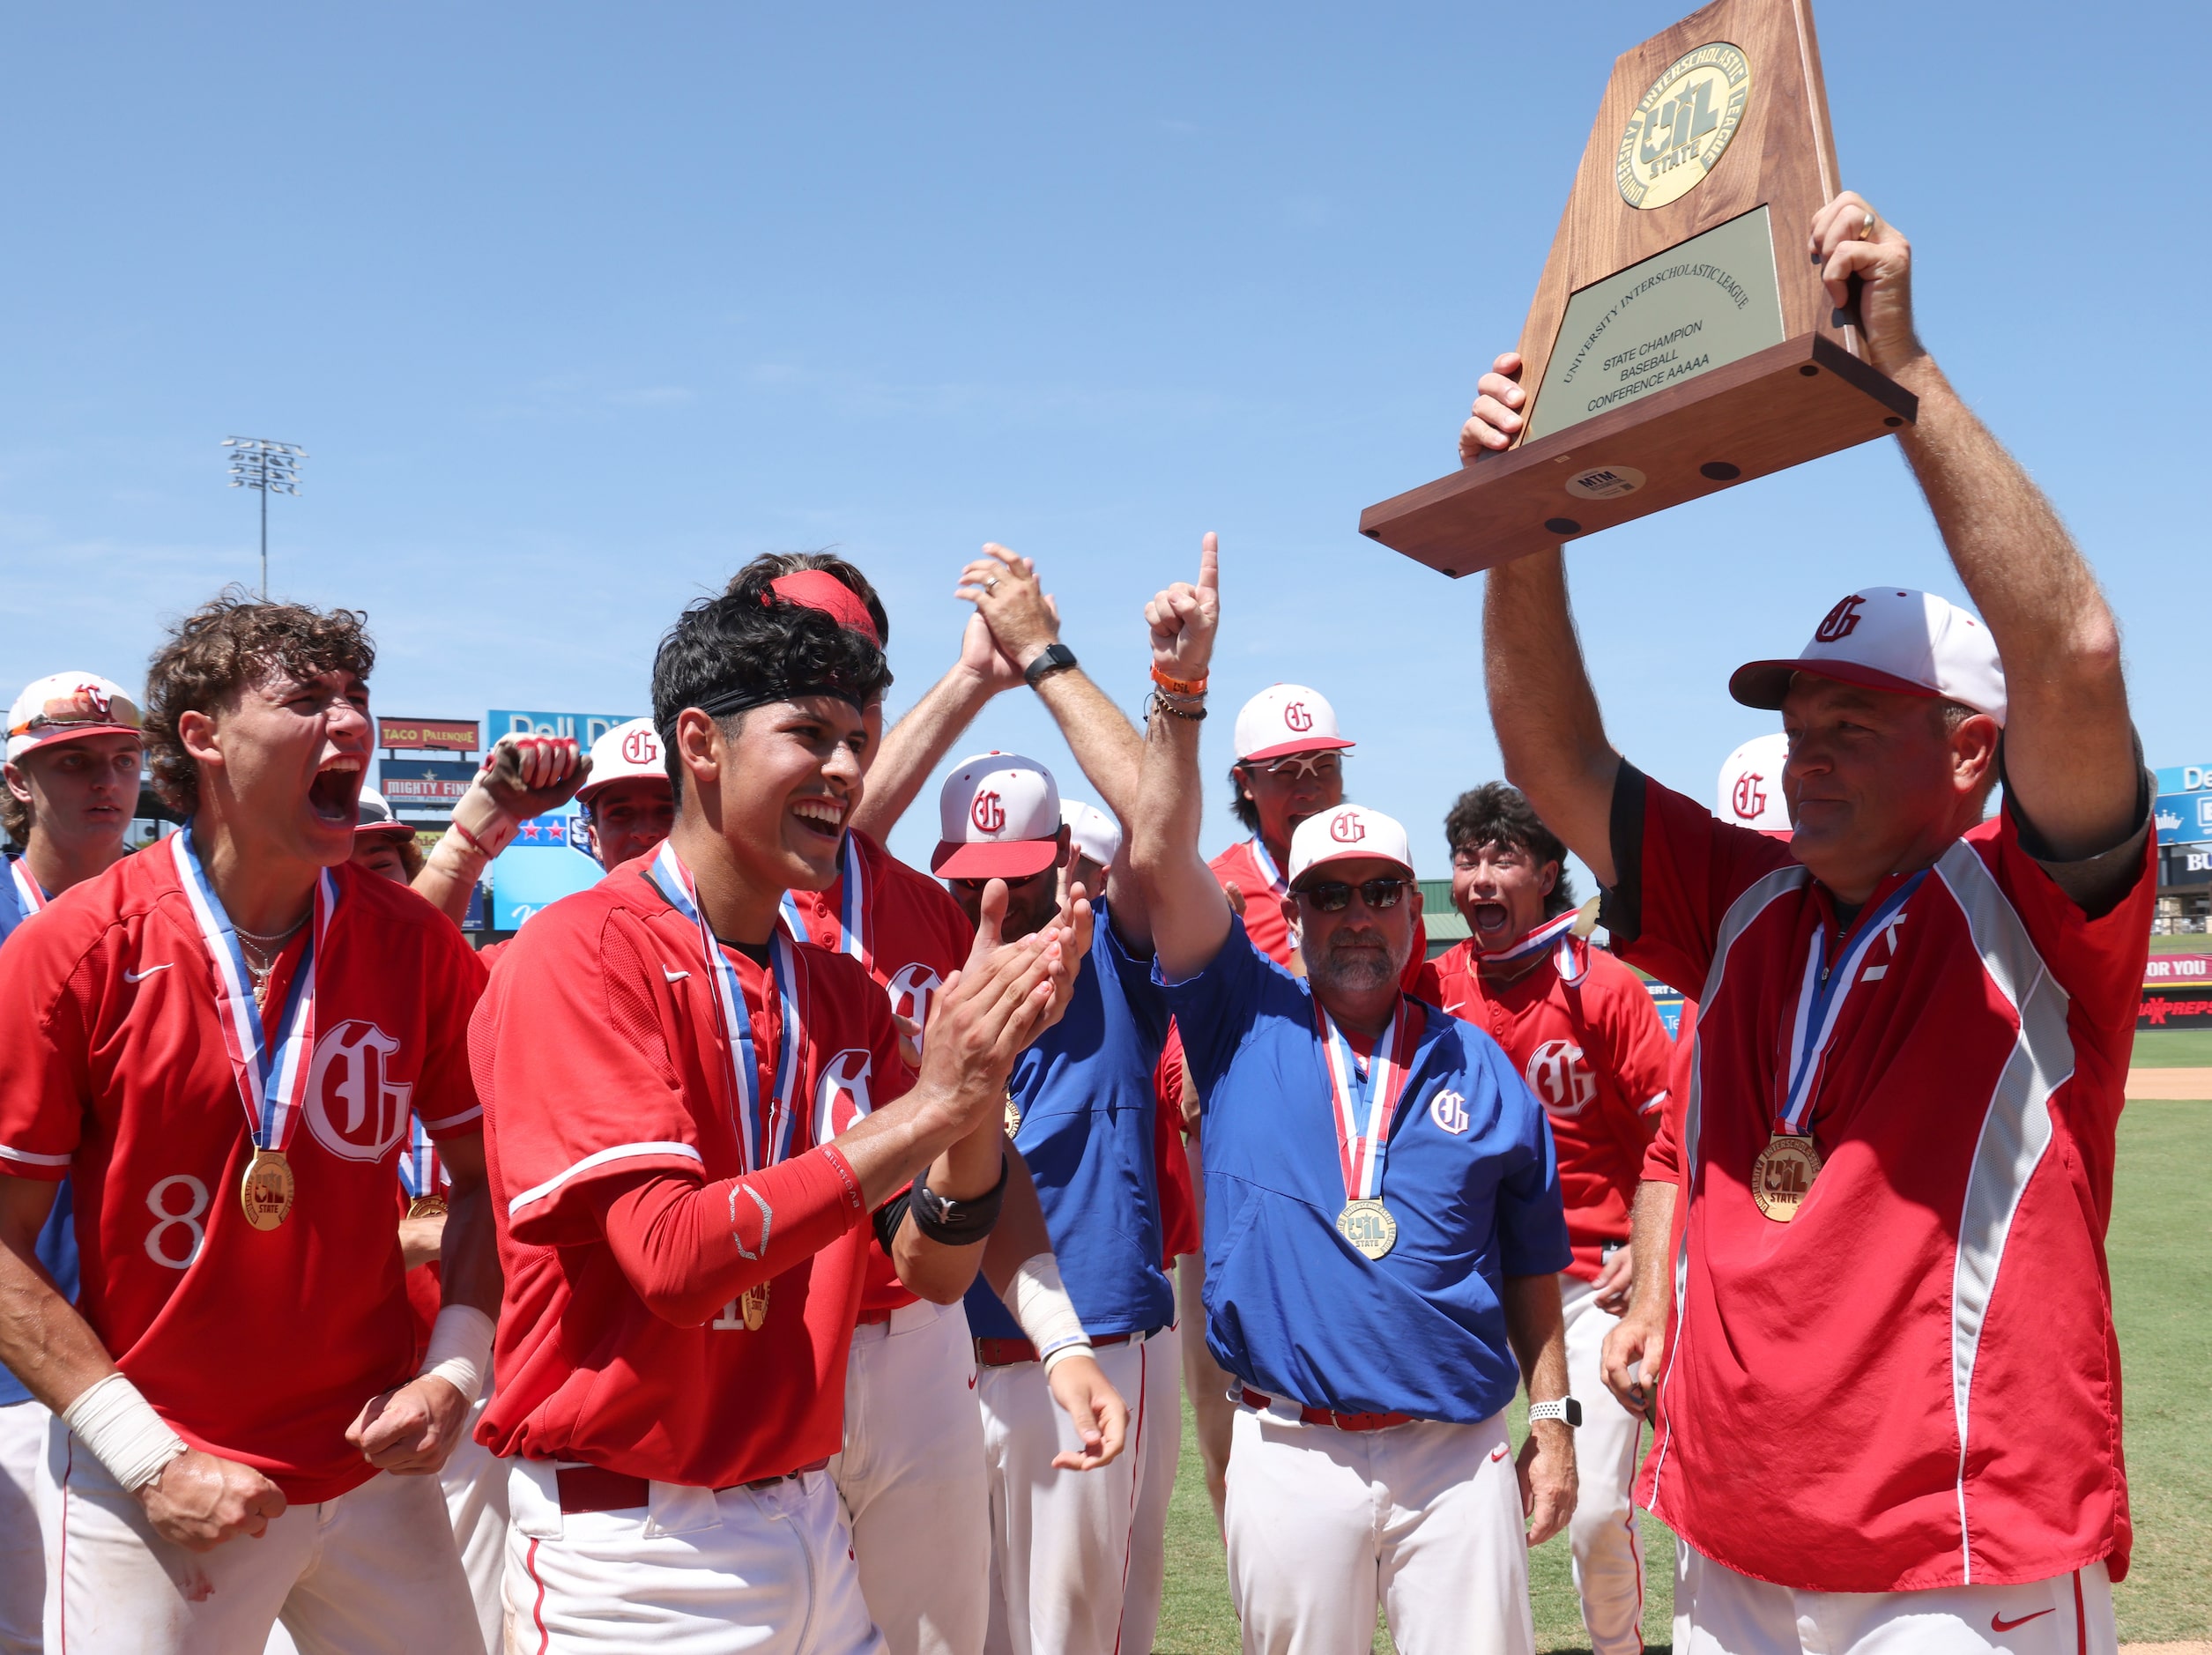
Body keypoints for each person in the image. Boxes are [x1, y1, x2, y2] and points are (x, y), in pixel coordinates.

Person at [1468, 192, 2149, 1653]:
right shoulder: (1748, 903)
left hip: (1961, 1559)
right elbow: (1554, 762)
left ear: (1971, 751)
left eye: (1855, 721)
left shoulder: (2036, 910)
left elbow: (2074, 650)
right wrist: (1526, 518)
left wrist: (1903, 378)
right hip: (1733, 1540)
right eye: (1798, 721)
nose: (1806, 751)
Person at [471, 584, 1087, 1650]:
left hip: (806, 1517)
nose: (847, 771)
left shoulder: (837, 989)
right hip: (635, 1551)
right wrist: (933, 1103)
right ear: (699, 744)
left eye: (858, 738)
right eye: (810, 734)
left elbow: (932, 1269)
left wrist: (976, 1089)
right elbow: (672, 1260)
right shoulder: (582, 951)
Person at [0, 596, 496, 1652]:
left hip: (373, 1465)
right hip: (165, 1481)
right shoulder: (73, 952)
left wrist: (456, 1367)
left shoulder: (411, 943)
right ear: (203, 738)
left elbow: (490, 1180)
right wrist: (148, 1460)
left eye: (358, 698)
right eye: (306, 700)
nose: (351, 725)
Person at [1131, 535, 1577, 1655]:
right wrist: (1179, 696)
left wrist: (1558, 1421)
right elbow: (1155, 850)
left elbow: (1530, 1260)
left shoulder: (1474, 1063)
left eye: (1381, 890)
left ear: (1410, 906)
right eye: (1329, 897)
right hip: (1290, 1455)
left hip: (1456, 1455)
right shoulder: (1239, 1015)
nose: (1358, 915)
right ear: (1298, 911)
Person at [727, 552, 1125, 1655]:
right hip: (752, 1323)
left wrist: (1057, 1339)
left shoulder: (933, 914)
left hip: (913, 1334)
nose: (834, 725)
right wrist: (972, 683)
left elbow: (979, 1148)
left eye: (853, 689)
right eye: (794, 681)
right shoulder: (715, 913)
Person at [953, 545, 1188, 1655]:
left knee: (1079, 1640)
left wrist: (1045, 657)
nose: (993, 894)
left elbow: (1156, 818)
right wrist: (962, 688)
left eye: (1021, 868)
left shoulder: (1113, 964)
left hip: (1096, 1350)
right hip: (939, 1361)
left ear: (1064, 868)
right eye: (966, 876)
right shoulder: (916, 979)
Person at [1411, 783, 1675, 1655]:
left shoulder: (1598, 987)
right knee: (1459, 1512)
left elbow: (1668, 1137)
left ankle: (1616, 1646)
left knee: (1595, 1510)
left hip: (1586, 1286)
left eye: (1502, 859)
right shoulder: (1433, 987)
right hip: (1466, 1287)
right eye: (1465, 859)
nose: (1479, 879)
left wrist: (1646, 1256)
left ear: (1548, 871)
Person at [0, 672, 147, 1655]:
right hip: (14, 1361)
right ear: (18, 781)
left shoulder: (179, 916)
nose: (106, 781)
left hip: (147, 1353)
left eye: (121, 760)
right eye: (72, 762)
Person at [1209, 683, 1355, 969]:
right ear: (1245, 782)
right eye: (1286, 771)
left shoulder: (1379, 882)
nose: (1310, 790)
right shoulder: (1216, 893)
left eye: (1325, 766)